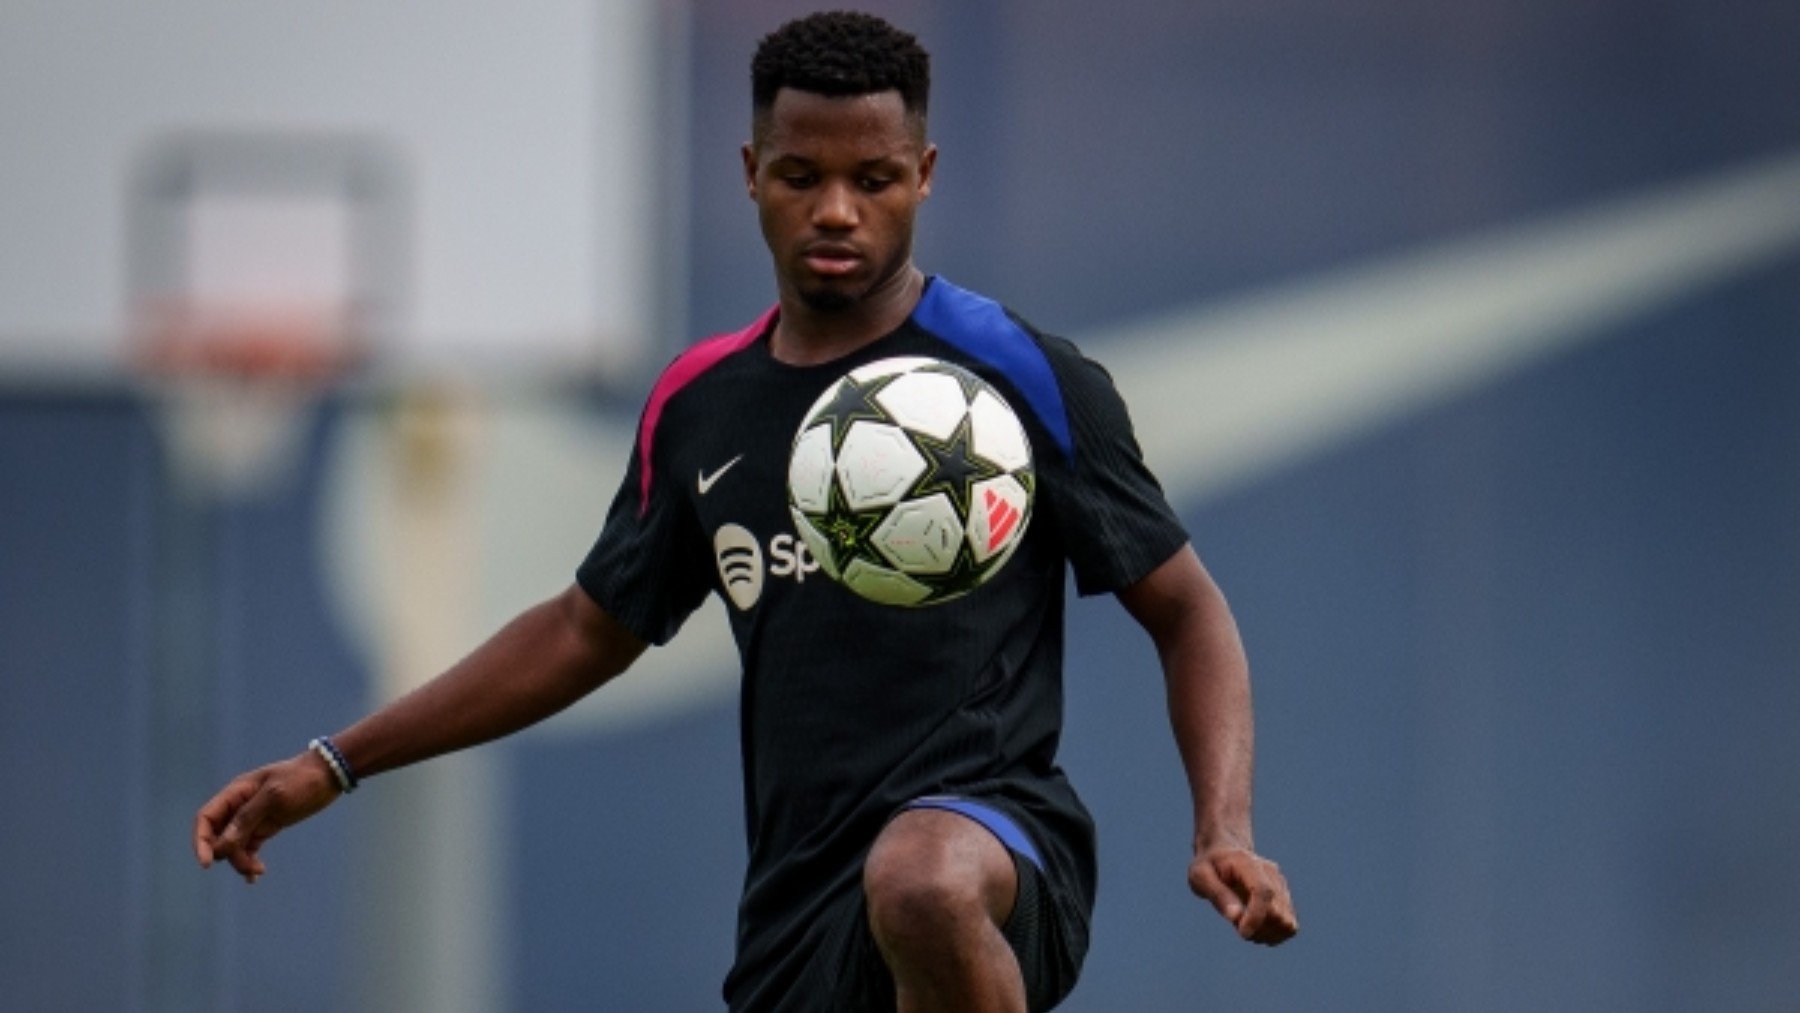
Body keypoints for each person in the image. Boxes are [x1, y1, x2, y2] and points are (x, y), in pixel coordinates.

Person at [193, 11, 1297, 1011]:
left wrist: (1224, 826)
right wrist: (333, 762)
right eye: (799, 174)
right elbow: (584, 629)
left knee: (917, 876)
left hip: (997, 852)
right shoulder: (700, 407)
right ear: (749, 172)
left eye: (873, 178)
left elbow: (1187, 608)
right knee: (888, 885)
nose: (835, 209)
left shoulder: (1018, 378)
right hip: (796, 913)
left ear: (925, 172)